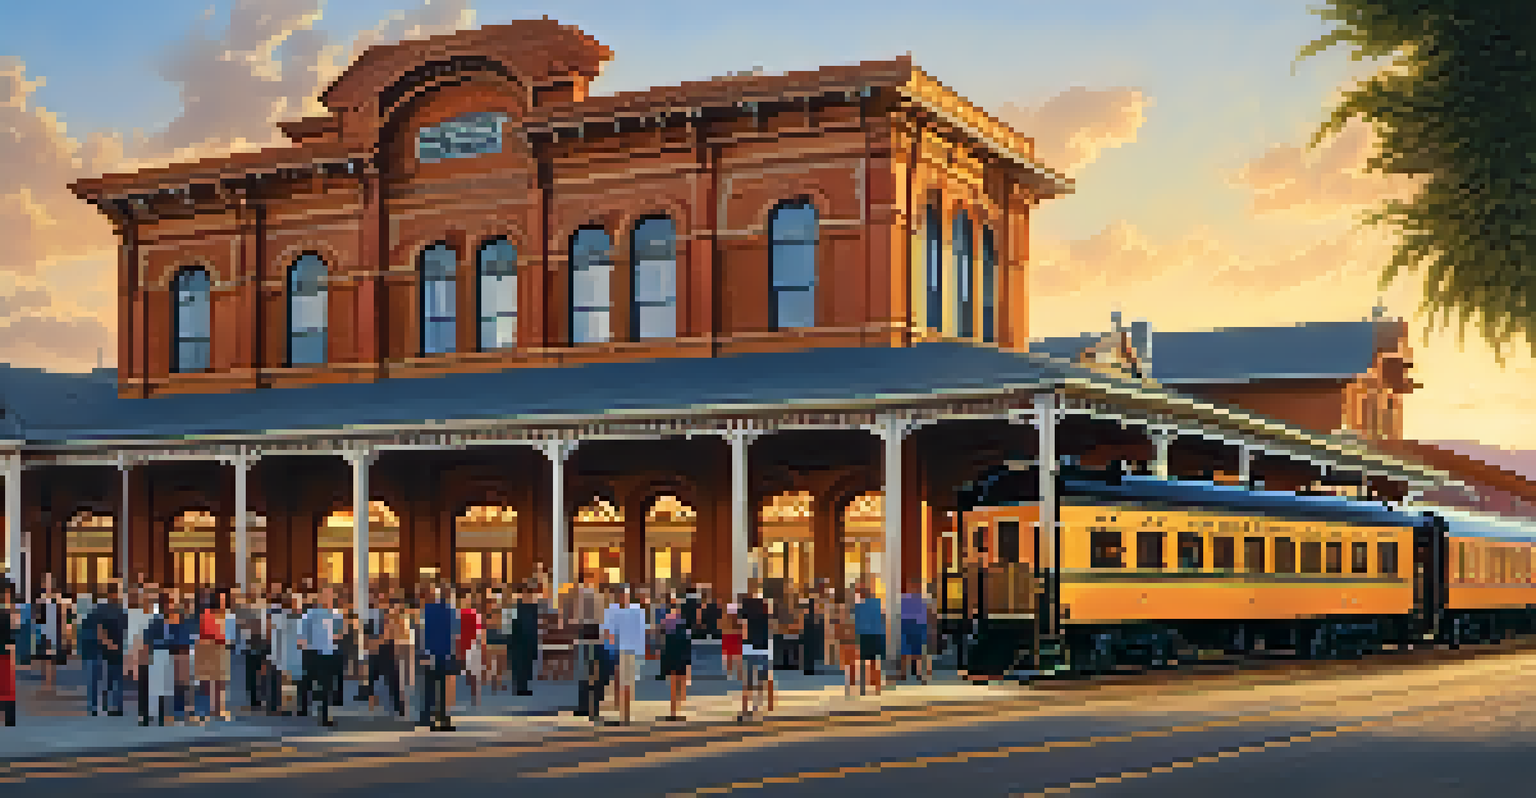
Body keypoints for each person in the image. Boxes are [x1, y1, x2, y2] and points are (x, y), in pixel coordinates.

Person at [601, 585, 646, 726]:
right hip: (619, 650)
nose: (623, 597)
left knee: (626, 683)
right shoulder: (612, 610)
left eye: (625, 595)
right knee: (621, 682)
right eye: (621, 595)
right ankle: (623, 713)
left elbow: (641, 631)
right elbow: (607, 631)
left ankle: (625, 715)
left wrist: (641, 650)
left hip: (629, 650)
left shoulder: (636, 611)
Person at [419, 584, 457, 731]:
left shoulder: (428, 610)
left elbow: (424, 632)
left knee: (429, 687)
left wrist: (424, 652)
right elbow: (454, 634)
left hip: (431, 653)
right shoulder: (451, 611)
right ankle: (442, 718)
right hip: (444, 655)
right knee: (443, 689)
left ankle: (427, 717)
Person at [738, 588, 773, 721]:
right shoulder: (766, 612)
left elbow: (743, 629)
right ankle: (756, 707)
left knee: (748, 680)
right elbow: (770, 629)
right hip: (763, 647)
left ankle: (745, 709)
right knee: (760, 679)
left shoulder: (746, 611)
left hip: (749, 647)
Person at [196, 589, 231, 721]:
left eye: (224, 600)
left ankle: (219, 709)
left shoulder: (227, 616)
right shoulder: (206, 615)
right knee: (207, 682)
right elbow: (204, 633)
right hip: (208, 650)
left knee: (220, 683)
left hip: (222, 650)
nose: (222, 602)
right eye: (220, 599)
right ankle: (206, 709)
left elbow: (230, 634)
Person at [94, 582, 127, 717]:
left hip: (113, 650)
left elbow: (100, 631)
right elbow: (100, 631)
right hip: (112, 650)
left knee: (113, 679)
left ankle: (114, 706)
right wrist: (110, 644)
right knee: (112, 679)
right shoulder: (114, 610)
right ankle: (113, 706)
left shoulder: (118, 610)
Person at [659, 600, 692, 721]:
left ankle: (674, 712)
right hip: (681, 657)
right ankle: (678, 711)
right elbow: (687, 646)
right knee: (680, 685)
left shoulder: (668, 626)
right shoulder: (684, 626)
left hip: (672, 657)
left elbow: (664, 644)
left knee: (674, 686)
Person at [852, 583, 885, 697]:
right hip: (876, 635)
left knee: (863, 662)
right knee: (874, 662)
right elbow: (881, 618)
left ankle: (864, 687)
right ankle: (876, 687)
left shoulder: (858, 606)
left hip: (865, 635)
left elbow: (856, 623)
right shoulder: (876, 603)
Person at [509, 583, 540, 696]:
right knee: (520, 665)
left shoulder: (533, 607)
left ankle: (523, 686)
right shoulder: (516, 607)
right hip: (519, 641)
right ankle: (520, 687)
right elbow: (512, 625)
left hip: (529, 639)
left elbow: (536, 625)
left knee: (527, 665)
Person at [899, 578, 932, 684]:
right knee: (910, 651)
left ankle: (913, 673)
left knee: (915, 652)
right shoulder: (907, 599)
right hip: (911, 626)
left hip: (913, 626)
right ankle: (908, 673)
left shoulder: (918, 600)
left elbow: (925, 615)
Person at [1, 577, 18, 726]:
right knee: (7, 687)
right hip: (5, 653)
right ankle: (9, 718)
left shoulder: (8, 612)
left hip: (5, 651)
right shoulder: (7, 613)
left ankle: (9, 717)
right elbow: (10, 636)